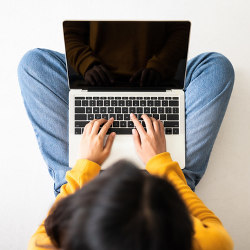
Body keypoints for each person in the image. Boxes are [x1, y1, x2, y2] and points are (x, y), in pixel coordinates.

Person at [18, 47, 235, 249]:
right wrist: (160, 162)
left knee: (33, 64)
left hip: (84, 195)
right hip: (166, 192)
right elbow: (216, 234)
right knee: (216, 67)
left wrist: (85, 165)